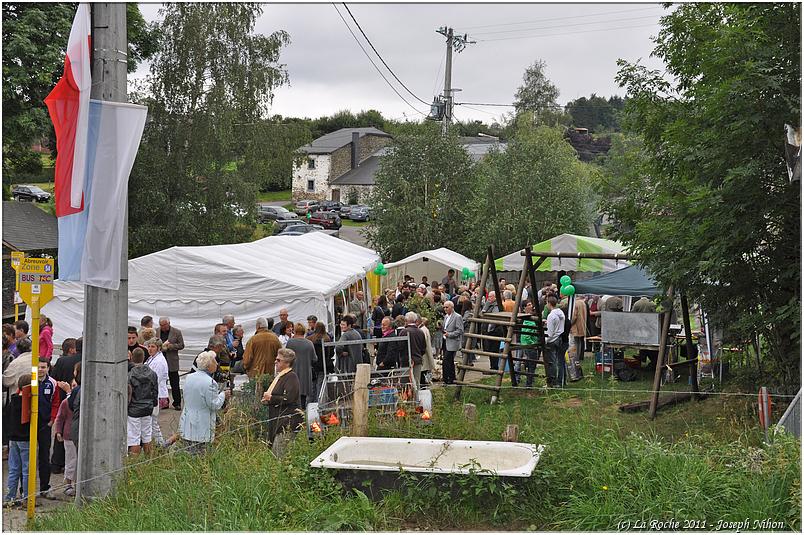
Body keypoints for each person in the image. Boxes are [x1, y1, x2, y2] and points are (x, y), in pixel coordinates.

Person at [177, 350, 230, 455]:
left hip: (187, 420)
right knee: (201, 453)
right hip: (202, 423)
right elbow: (214, 405)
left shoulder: (189, 377)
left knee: (188, 451)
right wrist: (223, 395)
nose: (217, 364)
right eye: (214, 362)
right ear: (209, 366)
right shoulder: (210, 382)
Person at [261, 348, 303, 453]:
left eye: (279, 360)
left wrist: (271, 398)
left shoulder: (291, 377)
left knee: (280, 455)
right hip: (279, 422)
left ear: (287, 363)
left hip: (286, 423)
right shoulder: (281, 376)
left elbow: (289, 398)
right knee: (275, 453)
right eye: (276, 359)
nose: (275, 362)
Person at [4, 375, 31, 505]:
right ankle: (27, 497)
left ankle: (9, 497)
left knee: (14, 469)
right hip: (25, 438)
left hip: (12, 438)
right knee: (27, 470)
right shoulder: (29, 404)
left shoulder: (13, 400)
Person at [36, 357, 60, 499]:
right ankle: (25, 490)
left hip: (45, 425)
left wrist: (51, 420)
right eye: (38, 367)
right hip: (30, 426)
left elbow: (56, 403)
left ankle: (45, 487)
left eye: (43, 367)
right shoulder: (29, 381)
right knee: (28, 458)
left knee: (44, 457)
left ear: (48, 368)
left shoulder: (52, 384)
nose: (40, 369)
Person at [127, 348, 158, 455]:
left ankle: (133, 465)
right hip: (148, 408)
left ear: (132, 358)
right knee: (147, 436)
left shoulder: (130, 374)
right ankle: (149, 461)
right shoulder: (152, 373)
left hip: (134, 409)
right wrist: (153, 403)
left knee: (134, 438)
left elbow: (128, 393)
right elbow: (155, 391)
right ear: (143, 357)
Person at [240, 318, 282, 385]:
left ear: (258, 326)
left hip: (256, 373)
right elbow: (280, 355)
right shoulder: (275, 339)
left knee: (256, 393)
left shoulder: (253, 340)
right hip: (270, 373)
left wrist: (246, 368)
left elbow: (247, 360)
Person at [53, 380, 76, 496]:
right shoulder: (66, 402)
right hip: (68, 436)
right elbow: (60, 418)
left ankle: (77, 483)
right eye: (73, 386)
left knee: (79, 461)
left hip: (77, 435)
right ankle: (68, 484)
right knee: (70, 460)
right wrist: (58, 432)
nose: (75, 388)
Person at [285, 323, 316, 408]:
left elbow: (286, 357)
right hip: (306, 373)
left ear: (295, 331)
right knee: (303, 399)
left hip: (293, 373)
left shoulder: (290, 342)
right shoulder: (309, 343)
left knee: (293, 398)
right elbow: (314, 359)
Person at [145, 338, 169, 446]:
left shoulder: (159, 361)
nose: (150, 349)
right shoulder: (152, 358)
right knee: (152, 422)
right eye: (149, 346)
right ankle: (159, 443)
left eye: (153, 347)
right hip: (153, 393)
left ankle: (159, 443)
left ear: (158, 348)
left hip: (156, 393)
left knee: (152, 421)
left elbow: (156, 379)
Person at [158, 317, 185, 410]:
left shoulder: (177, 332)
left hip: (172, 360)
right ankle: (164, 402)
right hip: (160, 360)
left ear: (169, 323)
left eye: (164, 325)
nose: (163, 327)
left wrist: (170, 346)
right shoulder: (156, 331)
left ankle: (177, 403)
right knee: (161, 382)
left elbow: (181, 345)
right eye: (161, 325)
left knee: (175, 383)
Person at [545, 296, 566, 387]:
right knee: (559, 361)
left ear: (549, 304)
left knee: (552, 362)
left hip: (552, 340)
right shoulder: (560, 313)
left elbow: (550, 332)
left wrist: (545, 340)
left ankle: (553, 380)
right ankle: (561, 380)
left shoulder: (551, 316)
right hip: (559, 337)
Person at [441, 301, 463, 384]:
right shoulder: (446, 317)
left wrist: (449, 334)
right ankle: (452, 377)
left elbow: (460, 330)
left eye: (447, 307)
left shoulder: (457, 317)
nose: (445, 309)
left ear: (452, 307)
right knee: (449, 361)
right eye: (444, 307)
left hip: (453, 341)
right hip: (445, 340)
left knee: (446, 360)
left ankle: (446, 379)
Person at [307, 321, 332, 397]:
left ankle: (311, 401)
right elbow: (331, 353)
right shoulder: (327, 338)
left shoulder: (310, 338)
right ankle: (320, 401)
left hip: (313, 365)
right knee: (321, 384)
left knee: (312, 384)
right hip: (323, 365)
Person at [403, 312, 427, 388]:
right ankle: (416, 399)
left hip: (405, 361)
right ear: (416, 320)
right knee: (416, 382)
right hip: (417, 360)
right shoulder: (420, 332)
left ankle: (408, 399)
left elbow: (400, 347)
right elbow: (423, 348)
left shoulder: (403, 332)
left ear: (406, 320)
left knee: (407, 384)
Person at [519, 301, 539, 387]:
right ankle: (529, 383)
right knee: (532, 364)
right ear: (524, 308)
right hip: (529, 345)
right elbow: (526, 335)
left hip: (527, 344)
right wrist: (533, 343)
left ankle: (530, 380)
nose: (531, 306)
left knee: (531, 364)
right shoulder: (527, 320)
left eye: (531, 304)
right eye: (528, 305)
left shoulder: (530, 318)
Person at [481, 291, 503, 370]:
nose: (488, 298)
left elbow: (494, 319)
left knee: (493, 350)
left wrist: (489, 330)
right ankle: (492, 366)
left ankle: (494, 367)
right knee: (490, 349)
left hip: (494, 331)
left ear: (494, 297)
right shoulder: (489, 304)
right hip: (489, 331)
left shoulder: (496, 306)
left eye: (490, 297)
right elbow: (482, 313)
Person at [417, 317, 436, 386]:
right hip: (425, 355)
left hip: (423, 356)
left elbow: (423, 344)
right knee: (424, 373)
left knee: (422, 374)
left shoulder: (422, 330)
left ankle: (423, 389)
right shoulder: (424, 329)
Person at [570, 295, 588, 361]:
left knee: (576, 341)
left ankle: (576, 357)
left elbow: (574, 316)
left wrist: (570, 323)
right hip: (582, 324)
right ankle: (580, 356)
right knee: (581, 341)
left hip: (577, 325)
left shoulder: (576, 303)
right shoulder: (583, 303)